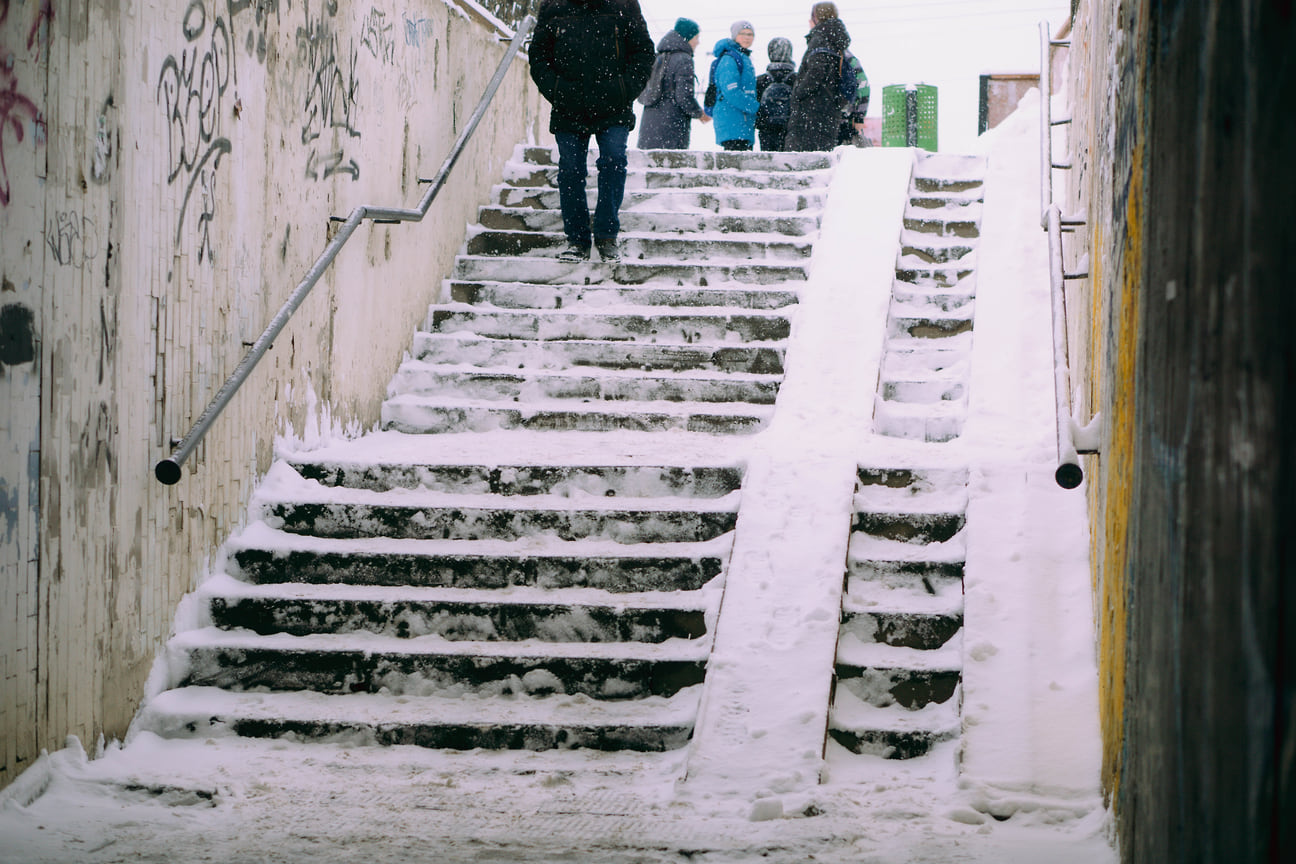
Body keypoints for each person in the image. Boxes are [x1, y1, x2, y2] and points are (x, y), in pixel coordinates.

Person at [529, 0, 654, 263]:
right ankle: (577, 240)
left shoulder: (625, 4)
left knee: (613, 161)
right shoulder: (554, 5)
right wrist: (558, 90)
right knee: (571, 170)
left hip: (614, 104)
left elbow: (642, 52)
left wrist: (623, 89)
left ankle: (607, 237)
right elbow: (539, 55)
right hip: (569, 104)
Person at [785, 2, 852, 152]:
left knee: (800, 159)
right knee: (820, 158)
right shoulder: (835, 40)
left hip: (812, 110)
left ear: (815, 18)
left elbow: (817, 71)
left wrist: (798, 93)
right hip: (829, 109)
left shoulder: (821, 38)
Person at [637, 18, 711, 150]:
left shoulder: (660, 57)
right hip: (671, 125)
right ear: (687, 37)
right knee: (671, 166)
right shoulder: (684, 59)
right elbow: (683, 96)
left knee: (652, 166)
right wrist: (699, 113)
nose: (698, 42)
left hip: (650, 123)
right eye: (696, 38)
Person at [707, 21, 759, 152]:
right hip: (733, 121)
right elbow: (731, 92)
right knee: (735, 166)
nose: (747, 37)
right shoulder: (730, 59)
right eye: (743, 34)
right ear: (735, 35)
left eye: (750, 34)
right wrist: (755, 107)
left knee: (739, 167)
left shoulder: (742, 57)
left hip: (741, 121)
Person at [754, 37, 797, 152]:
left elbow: (755, 106)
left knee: (768, 161)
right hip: (789, 127)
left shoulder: (761, 80)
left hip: (767, 128)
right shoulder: (797, 79)